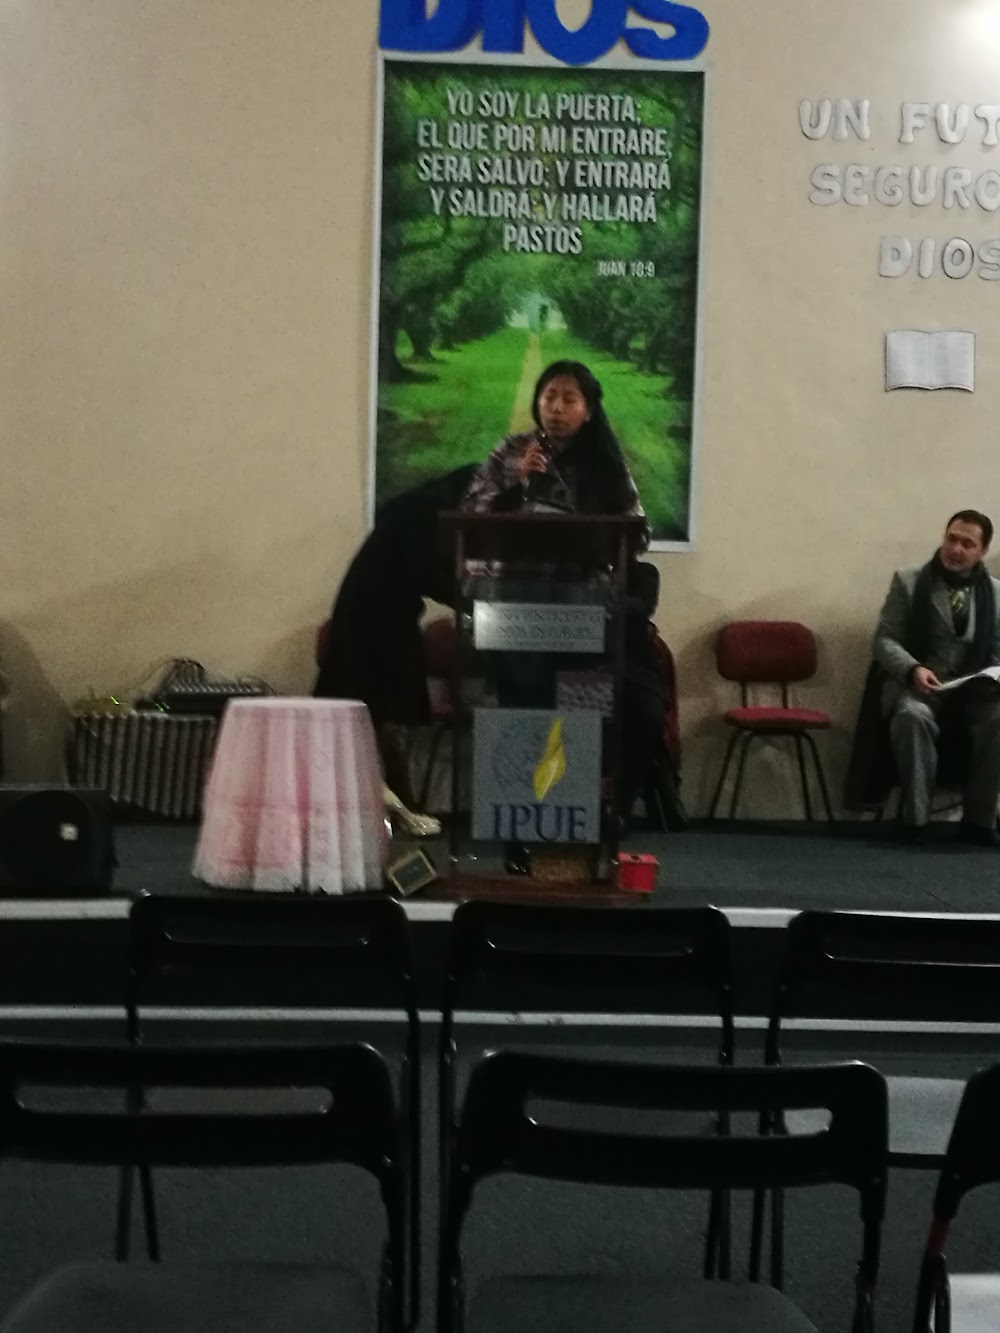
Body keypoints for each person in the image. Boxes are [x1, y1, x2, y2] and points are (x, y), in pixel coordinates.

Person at [460, 359, 671, 871]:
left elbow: (636, 533)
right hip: (514, 614)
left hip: (581, 619)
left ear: (589, 410)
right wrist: (517, 483)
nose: (556, 408)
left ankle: (581, 835)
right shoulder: (512, 452)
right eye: (549, 397)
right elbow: (471, 516)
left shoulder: (605, 464)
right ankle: (520, 840)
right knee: (523, 717)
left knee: (588, 718)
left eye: (569, 399)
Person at [314, 463, 479, 828]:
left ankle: (391, 807)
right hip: (379, 617)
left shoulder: (416, 506)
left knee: (373, 714)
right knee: (383, 713)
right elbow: (423, 571)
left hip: (374, 611)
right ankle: (398, 807)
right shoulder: (423, 512)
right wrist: (472, 597)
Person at [869, 509, 1000, 844]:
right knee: (911, 716)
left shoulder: (996, 594)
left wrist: (991, 676)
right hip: (921, 689)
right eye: (951, 538)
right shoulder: (909, 581)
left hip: (973, 694)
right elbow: (884, 640)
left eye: (967, 544)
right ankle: (916, 820)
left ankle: (980, 822)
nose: (956, 549)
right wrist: (912, 668)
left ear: (983, 551)